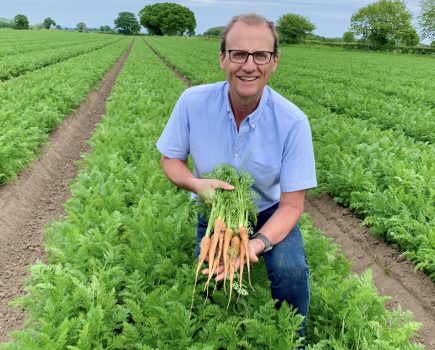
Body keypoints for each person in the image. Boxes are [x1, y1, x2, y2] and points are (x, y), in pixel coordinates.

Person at [156, 13, 317, 344]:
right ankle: (205, 333)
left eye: (260, 55)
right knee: (207, 276)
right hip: (214, 208)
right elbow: (170, 159)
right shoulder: (192, 102)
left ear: (274, 62)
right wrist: (196, 185)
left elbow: (292, 205)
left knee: (290, 272)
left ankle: (292, 338)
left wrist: (255, 243)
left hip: (269, 209)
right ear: (222, 58)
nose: (249, 65)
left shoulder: (293, 123)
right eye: (239, 54)